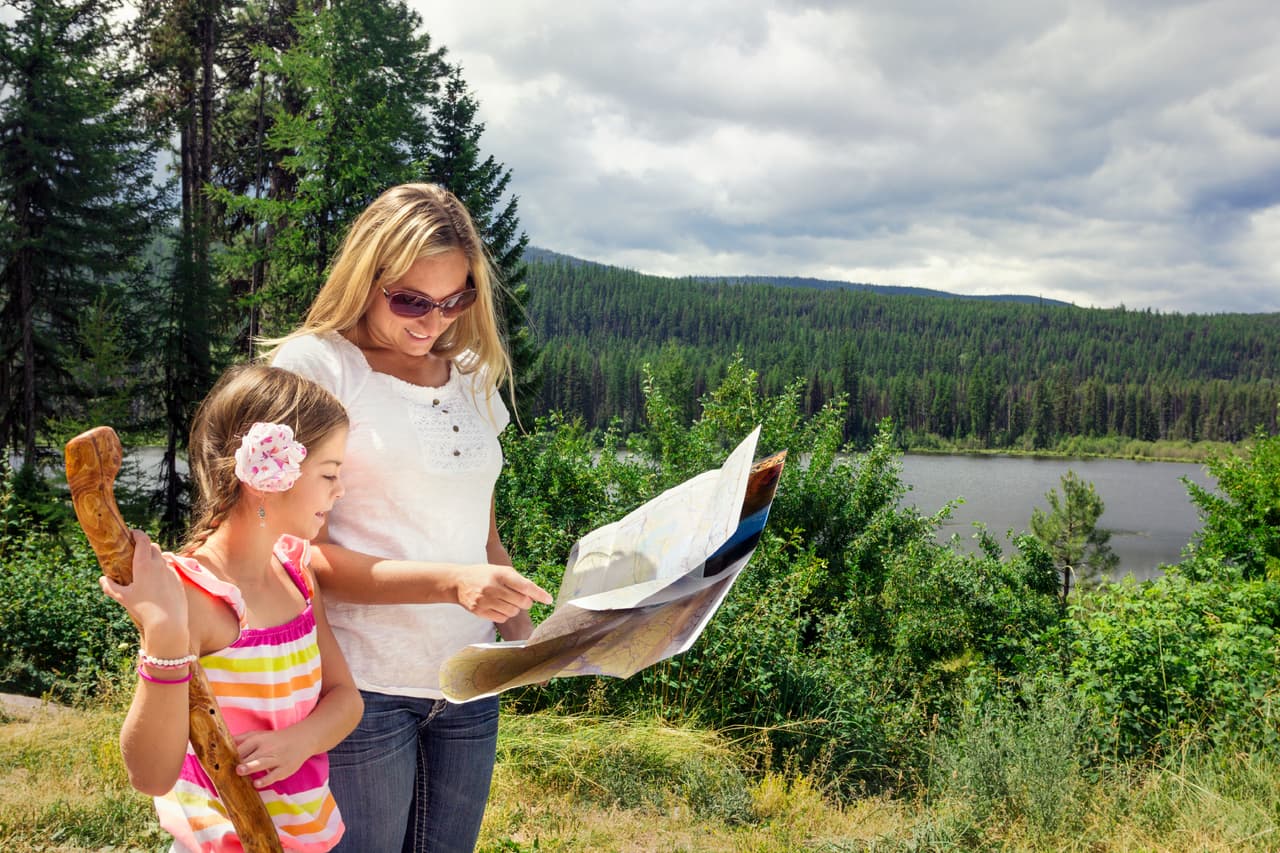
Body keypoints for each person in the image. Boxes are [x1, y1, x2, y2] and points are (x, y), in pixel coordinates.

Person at [265, 182, 553, 853]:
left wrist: (527, 634)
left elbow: (482, 536)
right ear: (368, 277)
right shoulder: (317, 366)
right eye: (411, 301)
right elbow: (301, 553)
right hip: (361, 683)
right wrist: (451, 582)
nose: (434, 321)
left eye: (457, 299)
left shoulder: (474, 374)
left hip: (470, 681)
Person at [99, 365, 364, 852]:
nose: (339, 490)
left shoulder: (296, 574)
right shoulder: (189, 596)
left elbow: (346, 697)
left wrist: (301, 740)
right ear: (267, 477)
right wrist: (163, 632)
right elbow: (151, 774)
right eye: (329, 473)